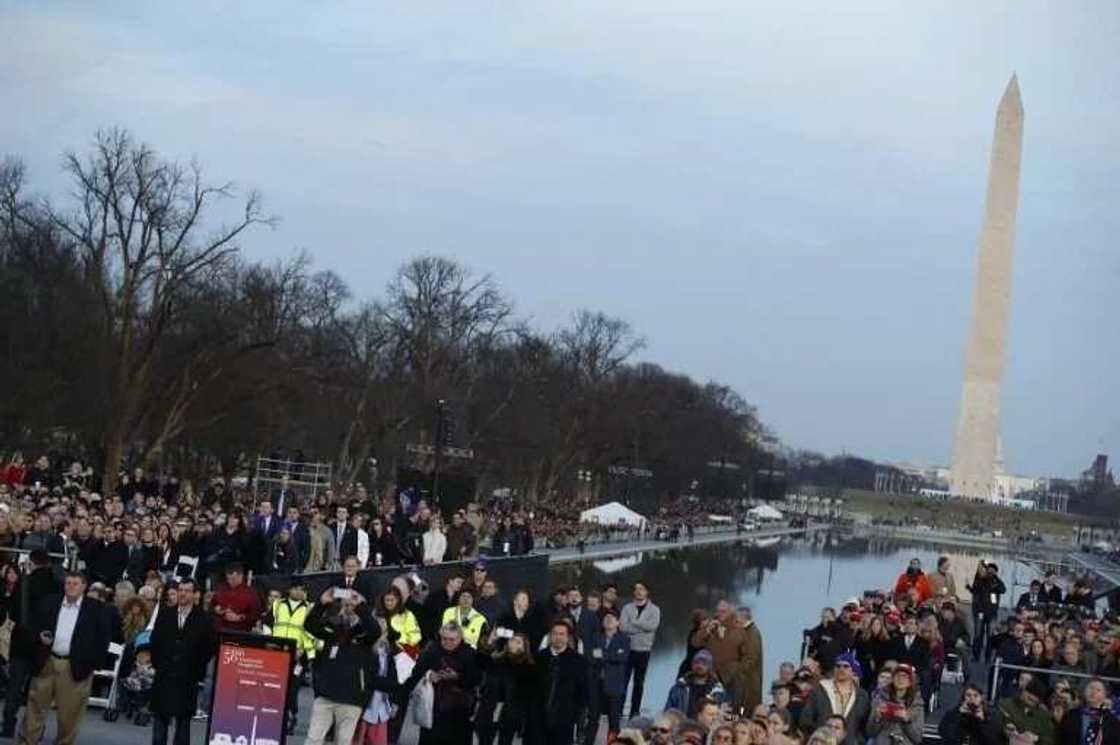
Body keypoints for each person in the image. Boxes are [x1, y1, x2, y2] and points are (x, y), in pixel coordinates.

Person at [19, 571, 110, 745]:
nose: (70, 587)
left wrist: (91, 665)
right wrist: (39, 637)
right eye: (68, 583)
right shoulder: (49, 602)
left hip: (75, 667)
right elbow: (32, 627)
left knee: (69, 716)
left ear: (84, 587)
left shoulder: (96, 608)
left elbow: (102, 639)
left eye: (75, 584)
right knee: (34, 709)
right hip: (47, 662)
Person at [304, 585, 382, 745]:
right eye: (345, 605)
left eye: (351, 605)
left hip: (351, 699)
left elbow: (375, 631)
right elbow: (310, 625)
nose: (348, 609)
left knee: (344, 741)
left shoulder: (364, 634)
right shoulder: (333, 630)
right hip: (325, 696)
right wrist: (322, 603)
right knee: (313, 739)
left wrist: (360, 606)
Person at [1, 551, 61, 738]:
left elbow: (14, 611)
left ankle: (9, 725)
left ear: (32, 563)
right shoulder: (58, 584)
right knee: (40, 690)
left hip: (22, 639)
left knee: (14, 686)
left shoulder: (24, 583)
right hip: (46, 642)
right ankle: (36, 729)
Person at [150, 579, 213, 745]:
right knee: (159, 725)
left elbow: (208, 648)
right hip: (164, 674)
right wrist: (159, 665)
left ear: (195, 594)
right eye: (180, 590)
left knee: (183, 725)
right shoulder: (165, 614)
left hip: (187, 676)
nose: (182, 593)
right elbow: (155, 641)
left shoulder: (204, 619)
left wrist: (196, 670)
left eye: (187, 590)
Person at [404, 622, 482, 745]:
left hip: (459, 712)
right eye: (444, 639)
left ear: (460, 638)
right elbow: (416, 672)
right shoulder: (432, 650)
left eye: (452, 640)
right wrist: (429, 675)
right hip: (434, 709)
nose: (447, 643)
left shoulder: (470, 653)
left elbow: (477, 679)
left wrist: (457, 677)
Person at [264, 579, 317, 733]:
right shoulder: (278, 604)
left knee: (292, 690)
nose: (299, 592)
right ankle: (275, 718)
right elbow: (267, 623)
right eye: (296, 589)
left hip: (298, 657)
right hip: (277, 653)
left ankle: (291, 715)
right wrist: (270, 641)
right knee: (275, 688)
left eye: (302, 589)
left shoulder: (310, 608)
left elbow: (313, 632)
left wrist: (305, 651)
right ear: (290, 590)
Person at [475, 633, 539, 745]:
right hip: (489, 709)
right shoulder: (498, 660)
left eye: (519, 642)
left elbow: (529, 693)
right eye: (513, 640)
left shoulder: (528, 668)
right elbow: (479, 661)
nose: (514, 643)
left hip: (510, 713)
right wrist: (489, 643)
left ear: (524, 647)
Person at [798, 651, 870, 745]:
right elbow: (805, 720)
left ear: (853, 671)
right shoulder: (819, 690)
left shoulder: (862, 695)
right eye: (838, 666)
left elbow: (865, 724)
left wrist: (858, 740)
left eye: (845, 666)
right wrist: (817, 737)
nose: (841, 669)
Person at [692, 600, 750, 714]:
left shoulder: (739, 630)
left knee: (732, 710)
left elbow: (747, 656)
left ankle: (733, 724)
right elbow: (695, 643)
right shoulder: (710, 627)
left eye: (723, 611)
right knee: (710, 707)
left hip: (732, 678)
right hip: (711, 676)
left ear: (730, 612)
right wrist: (706, 631)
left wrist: (738, 670)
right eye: (718, 611)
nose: (720, 614)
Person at [537, 620, 589, 745]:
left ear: (568, 637)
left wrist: (576, 715)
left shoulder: (579, 661)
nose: (558, 637)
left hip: (564, 719)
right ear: (550, 636)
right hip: (538, 718)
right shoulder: (539, 657)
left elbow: (583, 692)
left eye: (562, 634)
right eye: (555, 634)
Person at [584, 610, 630, 745]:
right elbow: (590, 656)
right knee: (592, 718)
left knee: (614, 720)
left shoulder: (624, 639)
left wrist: (603, 655)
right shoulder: (595, 637)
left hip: (614, 685)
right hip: (596, 684)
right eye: (606, 618)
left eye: (612, 618)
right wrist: (611, 655)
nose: (609, 620)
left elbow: (622, 658)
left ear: (618, 622)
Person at [620, 581, 661, 719]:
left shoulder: (654, 609)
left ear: (647, 592)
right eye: (636, 589)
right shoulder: (626, 608)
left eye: (642, 589)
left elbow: (652, 626)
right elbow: (623, 628)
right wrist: (641, 628)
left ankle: (635, 711)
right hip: (627, 649)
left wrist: (635, 623)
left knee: (639, 682)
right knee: (623, 681)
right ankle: (619, 708)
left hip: (644, 650)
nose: (638, 591)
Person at [866, 664, 924, 745]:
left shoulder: (917, 704)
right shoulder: (879, 699)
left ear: (910, 682)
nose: (900, 679)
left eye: (904, 676)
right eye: (897, 675)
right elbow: (870, 732)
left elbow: (917, 738)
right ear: (892, 679)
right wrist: (878, 718)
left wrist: (906, 721)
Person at [664, 650, 726, 718]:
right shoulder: (679, 687)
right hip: (682, 726)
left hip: (705, 727)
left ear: (709, 667)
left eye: (704, 663)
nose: (699, 665)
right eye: (696, 662)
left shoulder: (718, 691)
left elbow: (721, 715)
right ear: (692, 665)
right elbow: (668, 712)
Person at [1058, 678, 1120, 745]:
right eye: (1090, 688)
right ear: (1084, 691)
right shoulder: (1071, 715)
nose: (1093, 692)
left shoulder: (1112, 721)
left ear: (1105, 695)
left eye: (1098, 690)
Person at [997, 674, 1055, 745]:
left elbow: (1050, 739)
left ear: (1039, 700)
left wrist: (1037, 738)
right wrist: (1006, 731)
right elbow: (994, 725)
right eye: (1029, 693)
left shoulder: (1044, 716)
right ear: (1023, 690)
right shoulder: (1005, 704)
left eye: (1036, 697)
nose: (1032, 697)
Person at [938, 684, 1004, 745]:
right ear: (963, 698)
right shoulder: (953, 713)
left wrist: (982, 721)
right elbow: (947, 736)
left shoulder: (990, 715)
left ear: (981, 698)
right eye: (968, 695)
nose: (972, 699)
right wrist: (958, 716)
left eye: (976, 695)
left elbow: (993, 741)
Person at [210, 562, 262, 633]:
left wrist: (239, 617)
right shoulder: (221, 588)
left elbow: (256, 614)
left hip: (239, 632)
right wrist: (216, 609)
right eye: (228, 579)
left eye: (233, 579)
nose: (230, 582)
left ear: (241, 576)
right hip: (219, 630)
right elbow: (212, 605)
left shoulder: (251, 593)